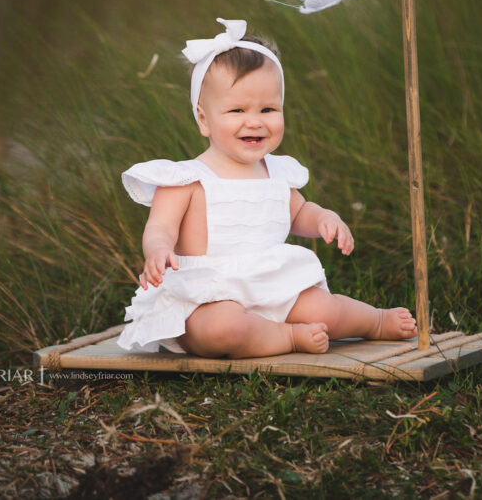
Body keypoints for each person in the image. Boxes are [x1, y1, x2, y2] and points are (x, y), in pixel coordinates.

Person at [117, 19, 417, 358]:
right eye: (237, 110)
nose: (255, 121)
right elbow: (159, 227)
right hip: (207, 296)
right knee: (222, 330)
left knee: (324, 310)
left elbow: (299, 211)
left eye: (268, 109)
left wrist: (323, 219)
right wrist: (157, 251)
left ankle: (375, 322)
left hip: (271, 285)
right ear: (204, 119)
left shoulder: (275, 172)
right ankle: (288, 337)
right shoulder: (186, 179)